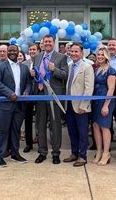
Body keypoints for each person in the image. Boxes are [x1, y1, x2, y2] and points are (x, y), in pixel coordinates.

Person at [0, 45, 32, 167]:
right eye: (10, 51)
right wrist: (9, 94)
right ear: (7, 53)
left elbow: (29, 83)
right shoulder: (0, 66)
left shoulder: (24, 67)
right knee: (2, 130)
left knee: (16, 131)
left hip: (19, 105)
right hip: (4, 105)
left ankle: (15, 154)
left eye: (15, 50)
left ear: (18, 52)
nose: (12, 52)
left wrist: (27, 90)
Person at [33, 35, 69, 165]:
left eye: (50, 41)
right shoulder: (37, 57)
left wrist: (55, 69)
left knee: (55, 126)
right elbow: (37, 74)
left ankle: (55, 153)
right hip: (41, 94)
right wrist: (33, 74)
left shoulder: (61, 57)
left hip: (54, 95)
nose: (47, 44)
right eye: (45, 42)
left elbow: (65, 75)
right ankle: (42, 152)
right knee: (40, 125)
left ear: (54, 43)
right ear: (42, 44)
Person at [63, 42, 94, 167]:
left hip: (81, 106)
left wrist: (84, 105)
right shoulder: (69, 66)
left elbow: (89, 88)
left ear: (81, 53)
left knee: (82, 132)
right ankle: (74, 153)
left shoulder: (87, 67)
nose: (74, 54)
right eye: (72, 51)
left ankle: (82, 156)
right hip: (69, 104)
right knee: (72, 131)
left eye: (76, 51)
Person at [91, 47, 116, 166]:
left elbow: (111, 89)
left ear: (106, 56)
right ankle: (99, 151)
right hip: (95, 101)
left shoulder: (110, 70)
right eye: (98, 54)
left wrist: (106, 105)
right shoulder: (97, 69)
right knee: (95, 126)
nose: (100, 56)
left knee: (105, 127)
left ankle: (106, 153)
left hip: (105, 101)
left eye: (102, 55)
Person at [22, 43, 40, 153]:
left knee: (40, 120)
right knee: (28, 120)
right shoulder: (24, 64)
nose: (32, 51)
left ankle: (40, 142)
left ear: (38, 51)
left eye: (34, 49)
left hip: (39, 94)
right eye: (30, 49)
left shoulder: (42, 62)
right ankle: (28, 144)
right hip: (27, 96)